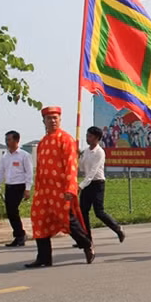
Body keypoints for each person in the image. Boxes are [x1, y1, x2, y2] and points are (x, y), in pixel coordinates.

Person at [25, 107, 93, 268]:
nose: (52, 121)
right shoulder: (42, 143)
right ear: (44, 121)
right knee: (39, 220)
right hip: (44, 190)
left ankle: (86, 244)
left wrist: (70, 188)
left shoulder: (66, 140)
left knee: (67, 220)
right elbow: (40, 168)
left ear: (60, 119)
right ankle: (44, 257)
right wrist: (37, 190)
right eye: (49, 118)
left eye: (55, 118)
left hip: (60, 190)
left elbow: (71, 166)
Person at [79, 126, 125, 246]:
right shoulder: (85, 151)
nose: (87, 138)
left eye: (90, 136)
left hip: (97, 183)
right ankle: (87, 239)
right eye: (87, 135)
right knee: (83, 211)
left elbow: (93, 172)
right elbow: (82, 168)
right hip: (87, 183)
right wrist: (78, 158)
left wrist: (81, 186)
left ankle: (117, 229)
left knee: (99, 212)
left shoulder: (100, 152)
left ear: (97, 138)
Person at [0, 130, 33, 247]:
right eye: (6, 140)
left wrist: (27, 189)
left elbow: (29, 173)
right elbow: (0, 172)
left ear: (16, 140)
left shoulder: (24, 155)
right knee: (10, 213)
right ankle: (19, 235)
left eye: (9, 139)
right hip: (9, 186)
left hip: (20, 186)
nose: (7, 142)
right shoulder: (5, 156)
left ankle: (20, 235)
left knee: (13, 210)